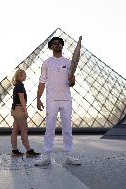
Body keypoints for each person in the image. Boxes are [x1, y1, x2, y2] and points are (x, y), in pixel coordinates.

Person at [34, 36, 82, 166]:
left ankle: (69, 155)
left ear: (62, 46)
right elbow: (42, 82)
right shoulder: (46, 63)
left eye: (60, 43)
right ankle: (47, 155)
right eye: (55, 43)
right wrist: (38, 98)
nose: (58, 45)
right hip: (51, 100)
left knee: (67, 129)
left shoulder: (69, 62)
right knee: (49, 129)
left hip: (66, 99)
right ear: (51, 47)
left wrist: (73, 80)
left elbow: (71, 83)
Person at [11, 69, 40, 157]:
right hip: (20, 109)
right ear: (20, 76)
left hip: (15, 109)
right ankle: (29, 150)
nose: (26, 76)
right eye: (24, 75)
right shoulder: (20, 85)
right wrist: (25, 110)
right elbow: (22, 99)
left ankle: (15, 150)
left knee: (15, 131)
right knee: (24, 130)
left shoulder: (17, 85)